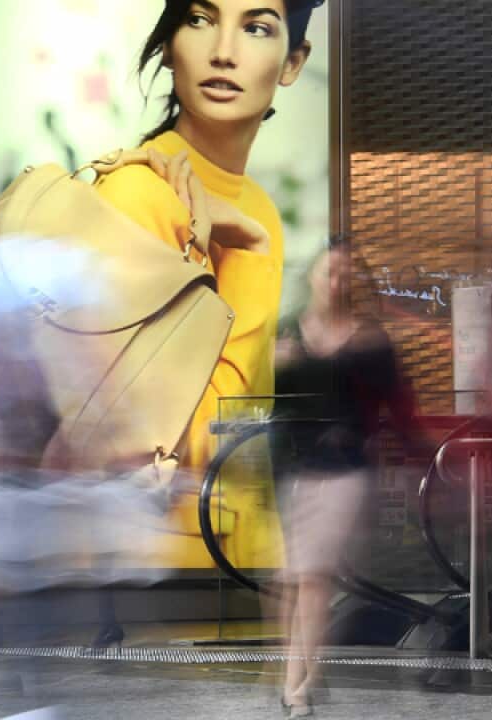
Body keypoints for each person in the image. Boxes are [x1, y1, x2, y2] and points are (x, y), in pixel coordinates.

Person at [91, 0, 322, 647]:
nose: (224, 51)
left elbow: (246, 394)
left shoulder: (257, 208)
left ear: (292, 63)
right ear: (167, 46)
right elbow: (147, 423)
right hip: (169, 558)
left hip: (237, 547)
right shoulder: (140, 193)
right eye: (199, 19)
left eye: (256, 27)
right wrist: (243, 252)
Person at [270, 238, 419, 717]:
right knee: (292, 582)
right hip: (297, 471)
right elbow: (279, 411)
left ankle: (297, 686)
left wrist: (421, 459)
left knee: (311, 577)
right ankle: (303, 673)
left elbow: (399, 410)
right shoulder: (289, 334)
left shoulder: (370, 340)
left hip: (346, 471)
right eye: (330, 272)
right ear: (312, 277)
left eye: (347, 274)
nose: (338, 282)